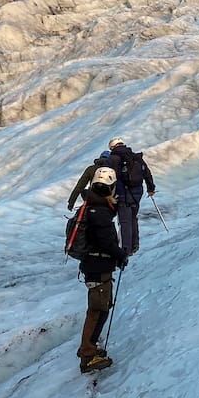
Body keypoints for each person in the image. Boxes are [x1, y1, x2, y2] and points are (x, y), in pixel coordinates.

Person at [73, 166, 129, 373]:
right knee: (97, 310)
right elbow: (106, 242)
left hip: (92, 265)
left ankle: (90, 348)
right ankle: (88, 355)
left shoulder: (91, 206)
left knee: (100, 308)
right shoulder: (100, 212)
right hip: (98, 266)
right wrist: (121, 255)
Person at [107, 137, 155, 255]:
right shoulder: (135, 157)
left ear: (112, 147)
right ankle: (135, 244)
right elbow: (146, 172)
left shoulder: (113, 159)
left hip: (122, 193)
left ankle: (125, 249)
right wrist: (151, 188)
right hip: (137, 193)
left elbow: (108, 178)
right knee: (133, 218)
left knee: (124, 221)